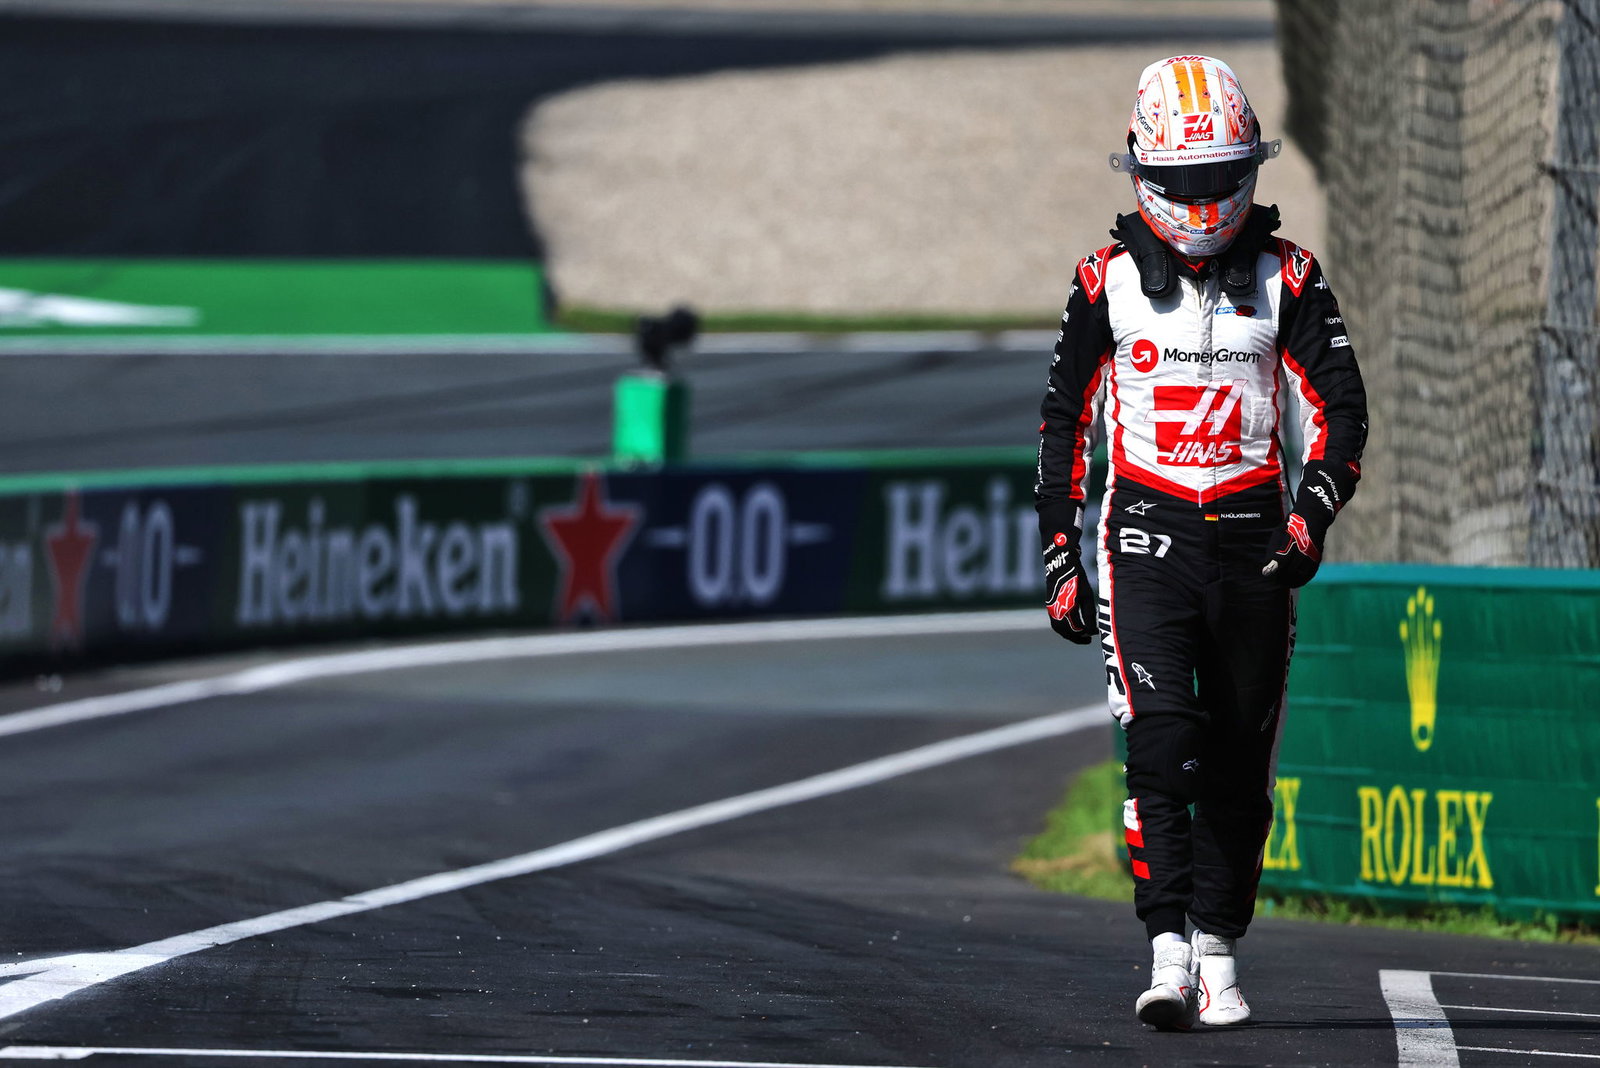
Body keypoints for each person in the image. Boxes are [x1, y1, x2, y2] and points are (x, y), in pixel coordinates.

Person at [1034, 55, 1368, 1030]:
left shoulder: (1291, 279)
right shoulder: (1103, 283)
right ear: (1140, 174)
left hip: (1257, 546)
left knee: (1236, 766)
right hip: (1144, 535)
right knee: (1162, 745)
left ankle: (1220, 948)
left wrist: (1311, 517)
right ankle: (1166, 950)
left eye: (1221, 178)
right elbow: (1063, 423)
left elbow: (1341, 415)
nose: (1201, 201)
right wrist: (1061, 556)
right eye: (1181, 184)